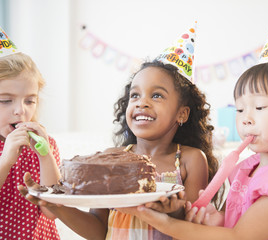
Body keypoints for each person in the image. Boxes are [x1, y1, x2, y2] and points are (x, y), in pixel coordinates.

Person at [116, 13, 268, 240]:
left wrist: (159, 221)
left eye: (259, 108)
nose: (246, 119)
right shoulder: (249, 168)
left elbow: (241, 236)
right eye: (240, 110)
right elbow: (236, 220)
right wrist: (216, 218)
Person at [19, 24, 221, 240]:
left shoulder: (190, 160)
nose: (142, 103)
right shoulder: (112, 160)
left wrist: (172, 210)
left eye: (157, 96)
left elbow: (193, 227)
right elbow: (98, 231)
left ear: (182, 113)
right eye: (135, 95)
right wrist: (56, 206)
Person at [0, 26, 61, 239]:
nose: (20, 110)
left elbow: (52, 211)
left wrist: (46, 157)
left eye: (30, 100)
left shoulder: (46, 144)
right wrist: (6, 160)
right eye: (6, 100)